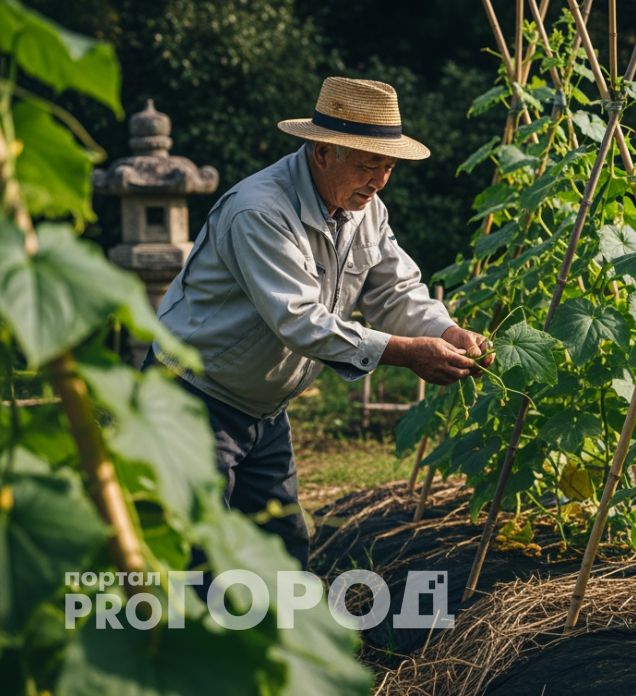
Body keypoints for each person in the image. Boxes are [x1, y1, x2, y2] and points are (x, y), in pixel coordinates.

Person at [147, 77, 491, 568]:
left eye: (388, 167)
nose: (378, 180)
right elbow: (300, 320)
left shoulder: (364, 209)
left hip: (264, 409)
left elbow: (394, 289)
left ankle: (274, 644)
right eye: (368, 164)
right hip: (193, 396)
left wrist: (443, 332)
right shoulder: (260, 211)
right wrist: (405, 352)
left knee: (282, 552)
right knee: (193, 558)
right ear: (323, 151)